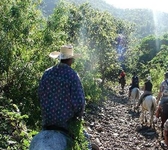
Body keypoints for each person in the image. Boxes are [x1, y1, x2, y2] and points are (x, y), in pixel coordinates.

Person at [38, 45, 90, 149]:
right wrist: (78, 116)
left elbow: (40, 94)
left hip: (47, 122)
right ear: (71, 60)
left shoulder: (47, 73)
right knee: (86, 143)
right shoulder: (72, 76)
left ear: (60, 58)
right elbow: (80, 102)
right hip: (65, 125)